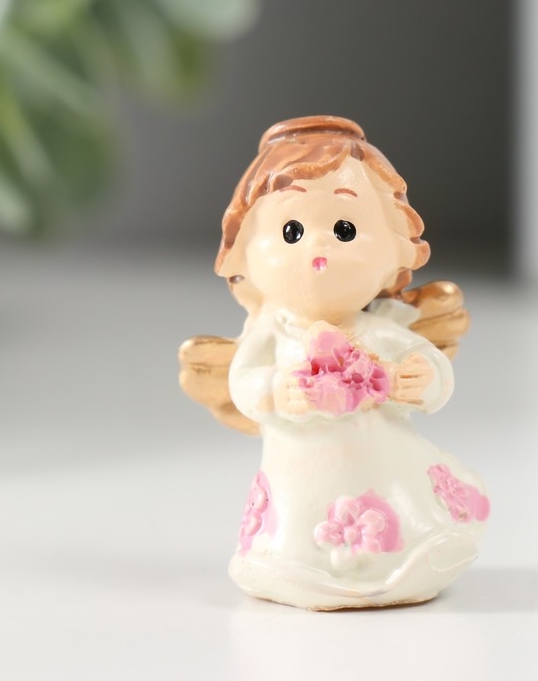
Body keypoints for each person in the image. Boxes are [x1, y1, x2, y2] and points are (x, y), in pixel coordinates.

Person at [180, 116, 489, 609]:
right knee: (298, 528)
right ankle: (296, 564)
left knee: (402, 509)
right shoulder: (272, 332)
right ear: (244, 254)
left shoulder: (378, 330)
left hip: (384, 463)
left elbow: (432, 368)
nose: (318, 245)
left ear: (394, 250)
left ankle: (401, 559)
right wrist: (277, 391)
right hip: (299, 468)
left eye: (345, 229)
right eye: (292, 230)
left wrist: (424, 379)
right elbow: (243, 382)